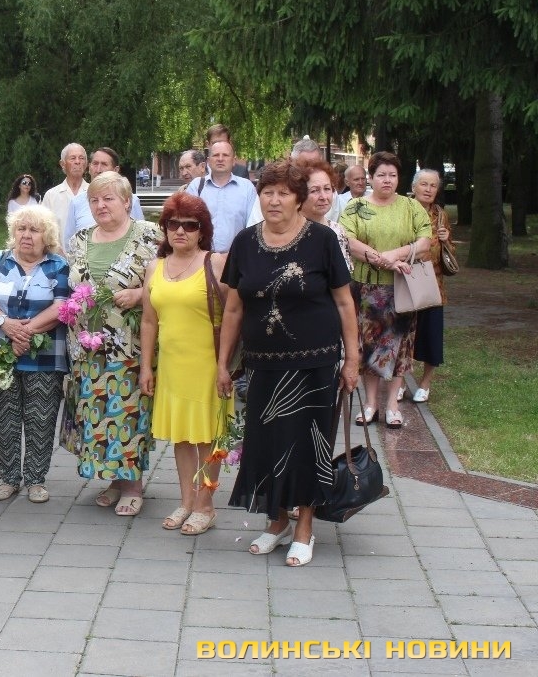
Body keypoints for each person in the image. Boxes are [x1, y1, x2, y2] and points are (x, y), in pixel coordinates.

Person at [216, 160, 359, 567]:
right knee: (266, 443)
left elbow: (345, 303)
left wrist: (352, 359)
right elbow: (233, 309)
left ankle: (304, 528)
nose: (274, 200)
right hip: (262, 364)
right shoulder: (245, 242)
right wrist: (222, 363)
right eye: (267, 192)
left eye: (283, 193)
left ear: (299, 199)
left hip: (315, 363)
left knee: (310, 444)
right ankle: (276, 522)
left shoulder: (322, 240)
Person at [61, 172, 162, 516]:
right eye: (94, 200)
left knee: (127, 413)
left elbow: (171, 278)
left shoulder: (149, 235)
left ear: (127, 201)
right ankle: (114, 480)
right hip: (86, 346)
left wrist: (140, 294)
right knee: (98, 414)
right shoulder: (79, 239)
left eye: (108, 199)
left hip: (129, 344)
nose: (101, 206)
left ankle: (132, 485)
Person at [139, 192, 230, 535]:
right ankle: (186, 501)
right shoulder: (155, 266)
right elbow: (149, 320)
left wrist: (225, 365)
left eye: (190, 225)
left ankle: (206, 505)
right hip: (172, 366)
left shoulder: (216, 263)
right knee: (180, 437)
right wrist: (146, 367)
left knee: (208, 437)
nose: (180, 231)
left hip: (207, 365)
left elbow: (233, 315)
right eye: (173, 224)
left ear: (202, 230)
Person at [0, 206, 70, 503]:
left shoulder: (58, 265)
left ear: (46, 236)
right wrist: (6, 325)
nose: (26, 235)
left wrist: (24, 333)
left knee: (41, 418)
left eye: (34, 230)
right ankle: (9, 478)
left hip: (45, 355)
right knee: (4, 418)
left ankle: (36, 480)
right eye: (21, 229)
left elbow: (61, 307)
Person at [340, 152, 432, 429]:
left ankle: (392, 405)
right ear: (371, 177)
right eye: (381, 175)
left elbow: (425, 242)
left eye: (392, 175)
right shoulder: (356, 207)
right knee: (368, 344)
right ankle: (371, 404)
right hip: (366, 288)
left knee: (401, 345)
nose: (387, 180)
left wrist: (396, 255)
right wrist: (381, 259)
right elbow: (347, 240)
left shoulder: (411, 207)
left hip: (403, 286)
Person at [408, 169, 452, 403]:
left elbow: (449, 254)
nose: (428, 189)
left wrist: (446, 241)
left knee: (432, 335)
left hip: (433, 284)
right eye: (424, 184)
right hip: (406, 281)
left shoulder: (441, 215)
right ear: (414, 187)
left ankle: (425, 384)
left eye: (433, 185)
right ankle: (400, 380)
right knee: (404, 333)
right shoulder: (403, 210)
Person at [63, 147, 145, 251]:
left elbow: (140, 236)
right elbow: (69, 244)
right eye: (95, 164)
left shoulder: (129, 199)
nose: (98, 170)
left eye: (104, 164)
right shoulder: (77, 202)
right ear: (89, 168)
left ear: (116, 170)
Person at [186, 139, 257, 252]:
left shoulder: (247, 188)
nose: (220, 159)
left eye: (225, 155)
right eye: (216, 155)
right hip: (201, 257)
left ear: (233, 161)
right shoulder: (196, 186)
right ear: (208, 161)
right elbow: (186, 222)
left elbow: (254, 226)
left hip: (235, 257)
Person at [301, 161, 353, 271]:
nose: (323, 197)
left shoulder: (337, 230)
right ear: (299, 194)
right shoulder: (289, 232)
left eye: (327, 189)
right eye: (314, 190)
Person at [41, 143, 88, 241]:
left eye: (81, 158)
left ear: (86, 163)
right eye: (73, 158)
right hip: (58, 250)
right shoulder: (51, 196)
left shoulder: (94, 193)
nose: (77, 162)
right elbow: (43, 229)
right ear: (63, 164)